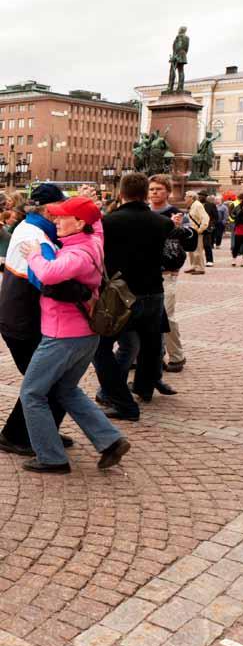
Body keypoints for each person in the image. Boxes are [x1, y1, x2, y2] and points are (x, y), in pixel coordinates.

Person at [18, 197, 129, 473]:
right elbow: (98, 224)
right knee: (66, 389)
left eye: (61, 216)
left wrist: (34, 252)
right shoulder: (91, 241)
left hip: (62, 335)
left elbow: (49, 274)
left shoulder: (77, 254)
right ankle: (110, 441)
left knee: (32, 394)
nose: (55, 220)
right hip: (84, 334)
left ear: (80, 223)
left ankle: (51, 457)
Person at [93, 172, 175, 421]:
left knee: (101, 347)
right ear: (144, 193)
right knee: (150, 344)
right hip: (153, 291)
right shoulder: (163, 223)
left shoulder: (108, 222)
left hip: (122, 294)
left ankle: (115, 395)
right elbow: (173, 256)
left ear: (121, 194)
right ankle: (144, 388)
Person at [0, 183, 74, 455]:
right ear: (47, 208)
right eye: (60, 206)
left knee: (50, 381)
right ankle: (14, 435)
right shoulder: (36, 235)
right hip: (23, 322)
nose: (63, 212)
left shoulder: (35, 229)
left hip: (21, 319)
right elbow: (49, 280)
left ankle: (41, 431)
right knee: (43, 383)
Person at [149, 174, 186, 372]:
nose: (154, 192)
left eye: (159, 189)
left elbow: (184, 244)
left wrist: (176, 227)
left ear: (168, 192)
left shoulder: (175, 213)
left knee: (167, 315)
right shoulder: (144, 212)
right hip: (146, 271)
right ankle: (145, 355)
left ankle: (177, 355)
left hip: (167, 272)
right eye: (152, 189)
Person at [184, 191, 209, 274]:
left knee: (198, 250)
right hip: (192, 231)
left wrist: (201, 229)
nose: (185, 198)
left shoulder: (198, 205)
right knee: (191, 250)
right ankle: (193, 266)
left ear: (191, 197)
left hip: (197, 231)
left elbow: (205, 218)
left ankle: (200, 268)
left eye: (186, 196)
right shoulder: (193, 205)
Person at [198, 191, 218, 267]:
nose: (200, 197)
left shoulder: (211, 205)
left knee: (207, 244)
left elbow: (215, 217)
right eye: (199, 196)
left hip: (207, 227)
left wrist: (212, 225)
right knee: (197, 246)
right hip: (197, 227)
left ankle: (209, 260)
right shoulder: (195, 205)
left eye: (202, 196)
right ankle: (198, 261)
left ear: (206, 197)